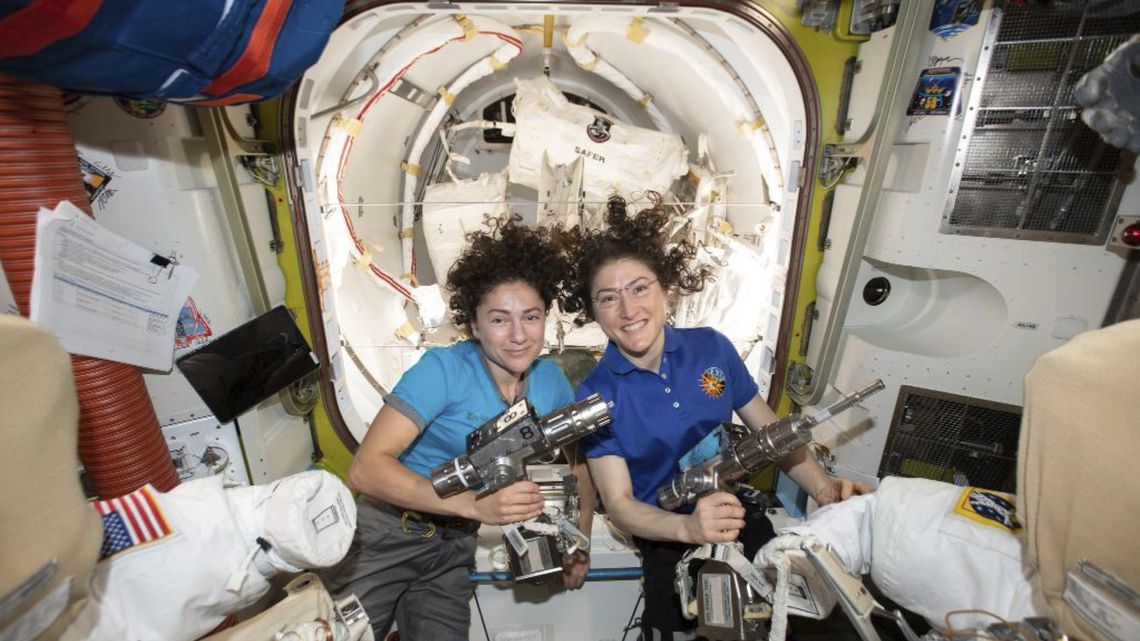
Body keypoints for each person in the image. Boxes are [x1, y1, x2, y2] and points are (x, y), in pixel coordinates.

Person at [563, 195, 872, 641]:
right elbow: (621, 503)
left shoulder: (711, 347)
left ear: (665, 288)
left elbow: (774, 436)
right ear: (593, 311)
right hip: (667, 537)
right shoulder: (595, 394)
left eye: (640, 289)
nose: (628, 311)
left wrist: (824, 490)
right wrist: (686, 527)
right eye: (608, 298)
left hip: (738, 515)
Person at [320, 218, 592, 641]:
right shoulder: (442, 371)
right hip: (387, 532)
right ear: (474, 324)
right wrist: (476, 507)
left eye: (531, 317)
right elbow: (366, 469)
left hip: (453, 549)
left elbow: (576, 468)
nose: (518, 335)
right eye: (499, 320)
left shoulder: (551, 381)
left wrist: (579, 540)